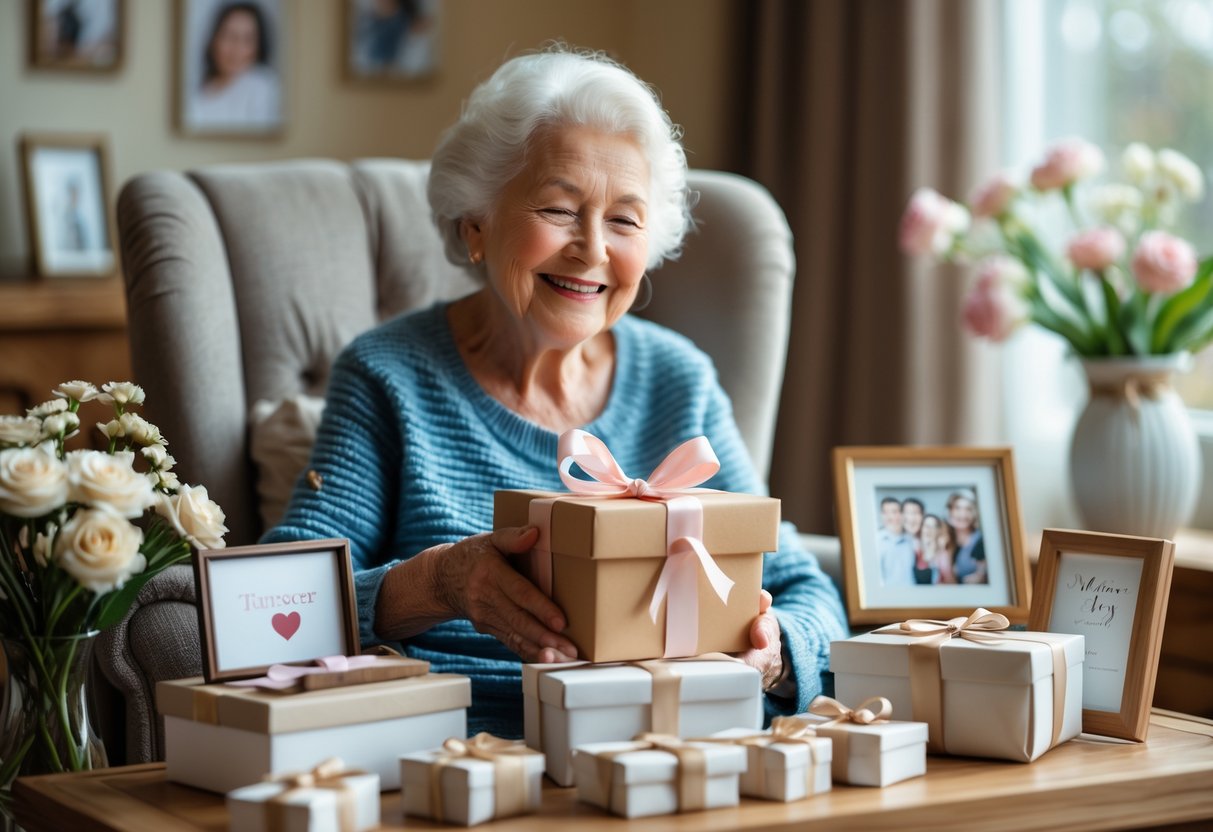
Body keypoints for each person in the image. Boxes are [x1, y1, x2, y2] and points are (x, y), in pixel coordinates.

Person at [263, 47, 848, 737]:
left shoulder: (676, 379)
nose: (592, 249)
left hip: (667, 749)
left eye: (624, 220)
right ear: (475, 224)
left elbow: (805, 590)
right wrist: (442, 583)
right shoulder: (388, 373)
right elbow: (280, 601)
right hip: (455, 753)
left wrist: (773, 650)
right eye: (559, 209)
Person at [187, 1, 280, 130]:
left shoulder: (263, 86)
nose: (236, 48)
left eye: (247, 39)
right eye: (228, 36)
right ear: (214, 39)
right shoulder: (196, 90)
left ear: (258, 46)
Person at [948, 489, 987, 584]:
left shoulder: (981, 541)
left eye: (968, 509)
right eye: (957, 508)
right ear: (950, 511)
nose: (962, 514)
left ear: (974, 514)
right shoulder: (947, 539)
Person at [876, 497, 915, 587]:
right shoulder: (876, 540)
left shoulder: (911, 539)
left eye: (894, 512)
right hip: (887, 597)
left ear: (902, 514)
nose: (890, 517)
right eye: (885, 512)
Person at [916, 513, 956, 584]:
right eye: (926, 526)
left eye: (933, 527)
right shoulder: (914, 550)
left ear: (938, 531)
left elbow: (950, 581)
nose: (929, 530)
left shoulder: (942, 554)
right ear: (921, 528)